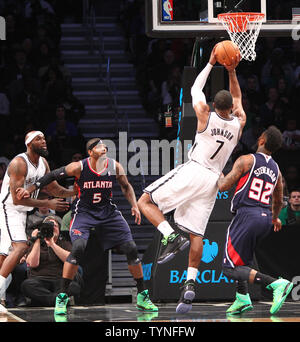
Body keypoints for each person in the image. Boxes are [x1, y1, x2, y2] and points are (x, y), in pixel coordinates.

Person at [137, 46, 245, 314]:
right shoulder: (238, 124)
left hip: (195, 168)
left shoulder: (205, 117)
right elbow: (239, 97)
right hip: (211, 182)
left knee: (145, 200)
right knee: (196, 234)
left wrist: (210, 64)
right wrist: (231, 71)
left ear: (214, 106)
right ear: (230, 107)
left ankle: (170, 236)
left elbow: (196, 89)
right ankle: (190, 285)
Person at [18, 138, 158, 315]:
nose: (104, 148)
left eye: (104, 145)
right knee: (78, 247)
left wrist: (134, 205)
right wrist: (29, 190)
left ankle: (142, 296)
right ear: (90, 152)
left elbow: (126, 186)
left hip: (107, 212)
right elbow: (51, 176)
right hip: (84, 213)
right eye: (99, 146)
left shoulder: (114, 166)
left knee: (131, 248)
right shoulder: (78, 167)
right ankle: (62, 297)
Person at [218, 125, 293, 316]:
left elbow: (223, 186)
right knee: (241, 262)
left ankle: (276, 284)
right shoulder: (276, 169)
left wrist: (217, 174)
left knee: (229, 268)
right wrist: (275, 218)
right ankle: (242, 298)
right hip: (264, 218)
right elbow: (278, 199)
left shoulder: (246, 160)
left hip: (246, 216)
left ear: (261, 140)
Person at [0, 130, 75, 313]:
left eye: (43, 138)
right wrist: (47, 203)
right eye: (38, 139)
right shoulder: (19, 163)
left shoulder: (43, 163)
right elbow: (17, 200)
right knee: (20, 247)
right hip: (9, 208)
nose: (44, 141)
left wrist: (74, 192)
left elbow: (53, 188)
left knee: (4, 257)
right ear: (28, 144)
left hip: (22, 212)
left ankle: (1, 297)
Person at [21, 216, 82, 307]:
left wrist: (52, 244)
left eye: (55, 226)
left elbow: (70, 260)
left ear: (59, 230)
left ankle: (48, 300)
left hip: (59, 280)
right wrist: (37, 241)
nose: (52, 228)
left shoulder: (64, 243)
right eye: (48, 226)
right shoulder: (36, 244)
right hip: (39, 279)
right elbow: (33, 264)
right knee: (27, 285)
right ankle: (56, 300)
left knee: (73, 286)